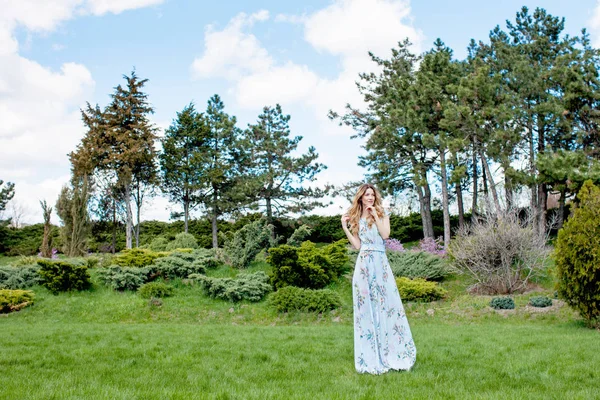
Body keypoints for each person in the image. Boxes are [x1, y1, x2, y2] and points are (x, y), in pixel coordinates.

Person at [341, 183, 416, 374]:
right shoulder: (357, 218)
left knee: (387, 306)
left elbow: (386, 235)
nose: (370, 198)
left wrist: (375, 214)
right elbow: (357, 245)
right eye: (366, 195)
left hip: (380, 265)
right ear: (360, 197)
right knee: (367, 309)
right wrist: (345, 227)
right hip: (364, 265)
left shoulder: (382, 214)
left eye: (372, 195)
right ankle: (371, 355)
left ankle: (390, 353)